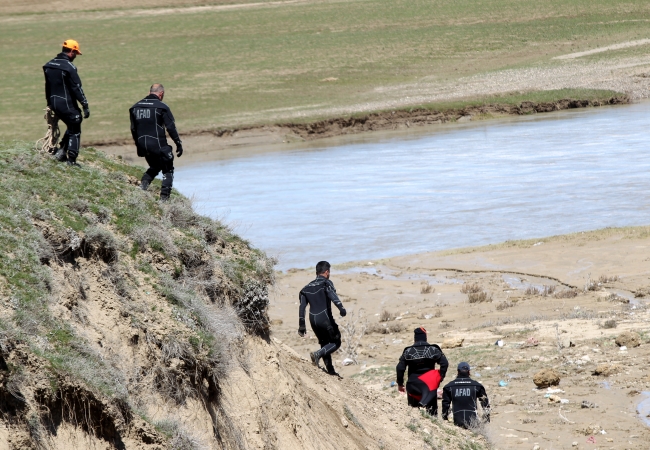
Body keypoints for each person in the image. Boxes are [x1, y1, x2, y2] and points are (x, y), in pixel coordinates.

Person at [129, 84, 183, 201]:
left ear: (149, 92)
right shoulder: (162, 107)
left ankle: (143, 187)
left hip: (143, 145)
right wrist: (178, 143)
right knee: (168, 170)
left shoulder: (135, 107)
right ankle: (164, 200)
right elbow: (171, 128)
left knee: (155, 166)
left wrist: (139, 146)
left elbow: (133, 129)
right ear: (161, 94)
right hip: (158, 144)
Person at [43, 39, 90, 166]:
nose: (75, 56)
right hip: (66, 103)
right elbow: (76, 87)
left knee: (71, 124)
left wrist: (49, 103)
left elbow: (48, 86)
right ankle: (71, 160)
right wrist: (84, 104)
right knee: (75, 123)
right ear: (71, 51)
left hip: (54, 103)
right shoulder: (69, 67)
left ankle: (62, 150)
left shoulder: (49, 64)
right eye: (75, 53)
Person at [298, 261, 347, 376]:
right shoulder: (326, 283)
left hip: (312, 320)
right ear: (327, 272)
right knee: (336, 341)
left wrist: (301, 325)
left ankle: (330, 370)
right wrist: (341, 308)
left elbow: (302, 308)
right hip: (324, 318)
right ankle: (317, 355)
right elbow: (332, 295)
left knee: (324, 343)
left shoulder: (306, 288)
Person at [396, 327, 449, 416]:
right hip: (429, 385)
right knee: (432, 414)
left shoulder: (408, 351)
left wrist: (400, 384)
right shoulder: (433, 349)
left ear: (415, 338)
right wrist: (440, 377)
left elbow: (400, 368)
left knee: (413, 413)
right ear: (425, 337)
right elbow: (445, 363)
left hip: (413, 386)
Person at [442, 362, 490, 428]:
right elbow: (485, 403)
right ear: (469, 372)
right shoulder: (477, 386)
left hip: (457, 422)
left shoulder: (449, 387)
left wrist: (444, 418)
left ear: (458, 372)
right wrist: (487, 418)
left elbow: (445, 405)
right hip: (473, 422)